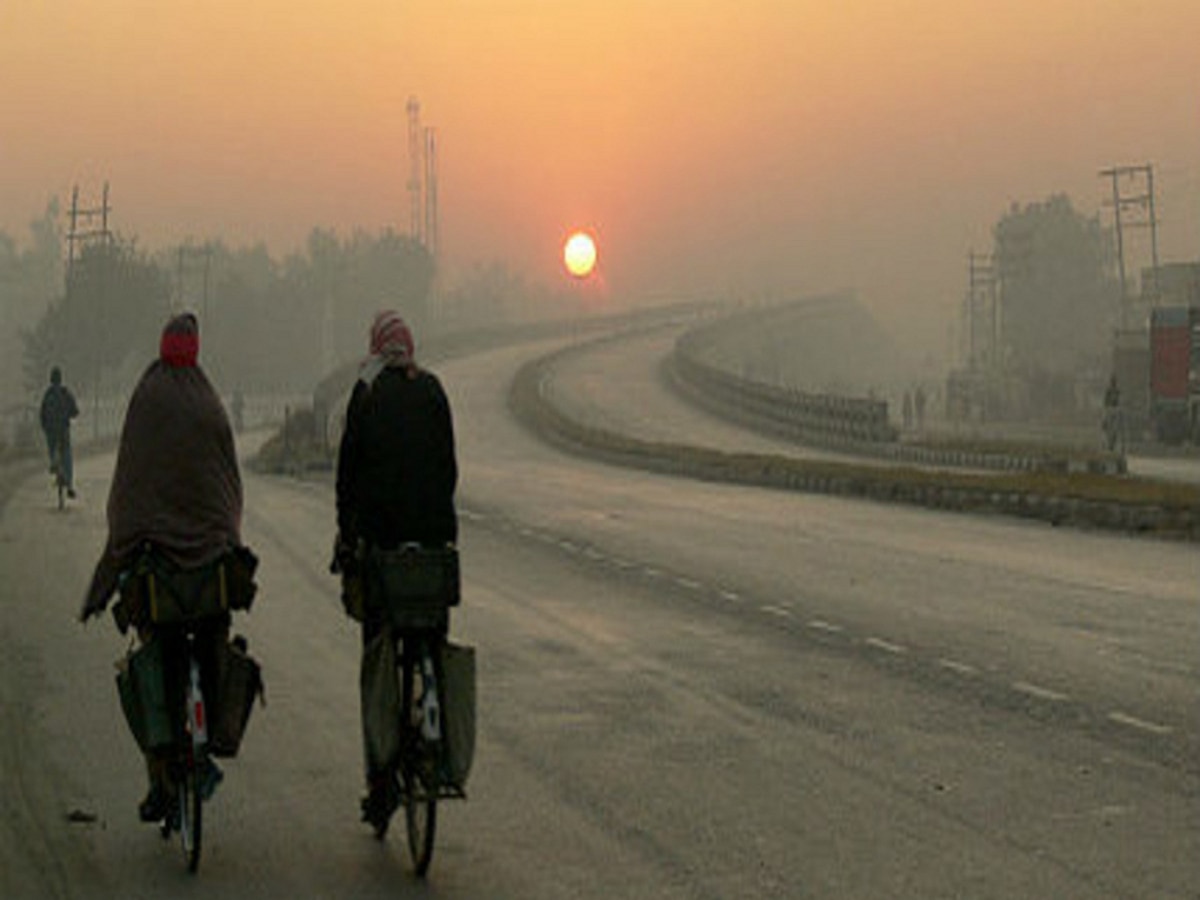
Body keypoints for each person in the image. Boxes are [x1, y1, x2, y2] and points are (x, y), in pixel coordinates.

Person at [80, 312, 244, 822]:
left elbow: (129, 490)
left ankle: (159, 777)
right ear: (194, 351)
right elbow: (229, 491)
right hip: (212, 569)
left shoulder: (147, 399)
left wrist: (106, 579)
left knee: (153, 656)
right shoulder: (210, 403)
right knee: (215, 640)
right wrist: (225, 541)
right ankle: (209, 741)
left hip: (162, 576)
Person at [333, 310, 458, 834]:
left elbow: (348, 476)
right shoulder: (432, 391)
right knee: (431, 639)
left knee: (377, 660)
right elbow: (449, 469)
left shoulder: (367, 396)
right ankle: (439, 743)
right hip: (432, 553)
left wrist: (349, 534)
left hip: (382, 554)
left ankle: (381, 784)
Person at [40, 366, 79, 498]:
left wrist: (45, 427)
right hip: (63, 429)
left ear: (51, 379)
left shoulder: (47, 394)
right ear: (60, 379)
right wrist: (71, 415)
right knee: (67, 454)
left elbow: (42, 414)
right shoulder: (65, 393)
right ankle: (69, 484)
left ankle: (53, 462)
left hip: (51, 430)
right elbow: (75, 411)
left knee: (51, 446)